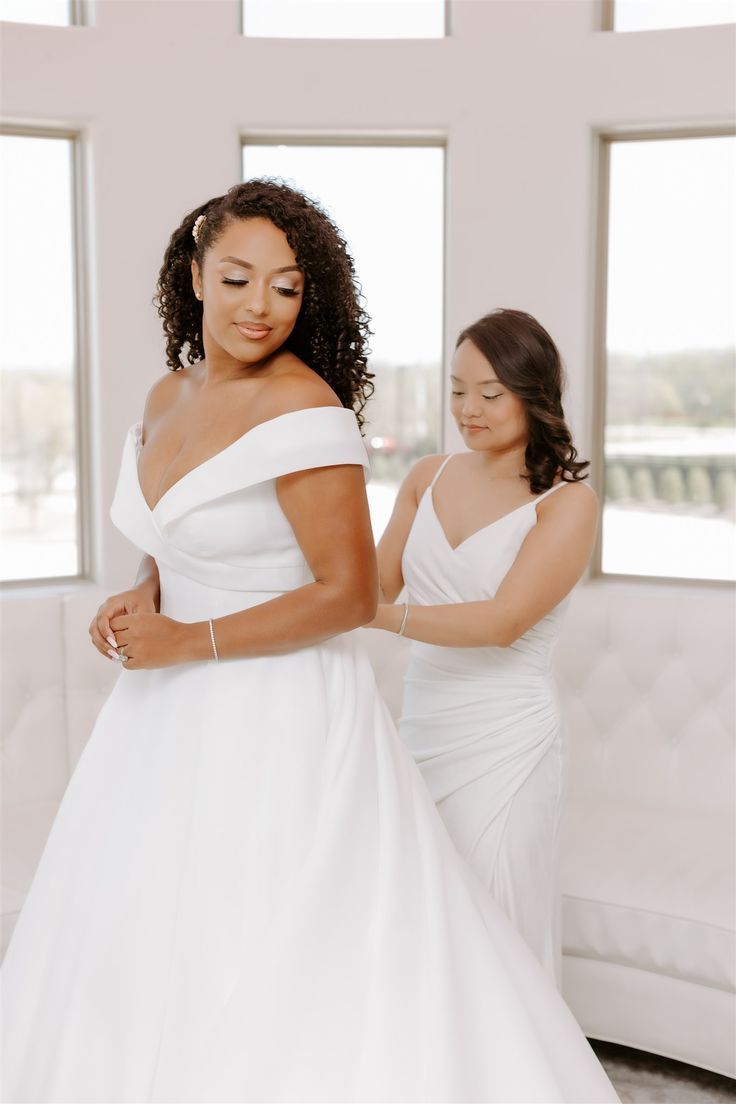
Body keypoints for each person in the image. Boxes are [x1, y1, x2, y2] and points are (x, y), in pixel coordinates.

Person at [1, 185, 616, 1103]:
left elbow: (348, 594)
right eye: (240, 279)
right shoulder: (167, 394)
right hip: (159, 711)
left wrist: (186, 638)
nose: (261, 306)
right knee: (150, 929)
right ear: (194, 277)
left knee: (278, 936)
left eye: (286, 288)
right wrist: (139, 595)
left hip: (275, 707)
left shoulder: (307, 410)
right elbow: (177, 539)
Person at [369, 309, 599, 978]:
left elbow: (502, 622)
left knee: (494, 913)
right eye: (457, 390)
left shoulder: (566, 503)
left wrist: (376, 618)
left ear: (534, 394)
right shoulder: (426, 477)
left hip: (506, 739)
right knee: (420, 907)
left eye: (490, 394)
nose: (468, 409)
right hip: (424, 723)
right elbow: (375, 585)